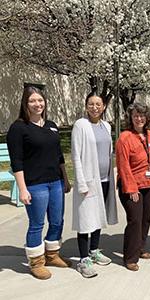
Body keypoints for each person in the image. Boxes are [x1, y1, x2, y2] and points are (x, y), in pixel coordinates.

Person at [6, 85, 71, 280]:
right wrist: (23, 189)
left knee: (57, 221)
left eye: (40, 100)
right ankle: (36, 262)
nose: (37, 104)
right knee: (36, 224)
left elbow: (59, 156)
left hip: (56, 183)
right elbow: (16, 162)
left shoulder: (51, 125)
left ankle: (52, 254)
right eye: (32, 101)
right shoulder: (18, 128)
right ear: (25, 104)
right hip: (36, 185)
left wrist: (65, 179)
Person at [71, 92, 118, 278]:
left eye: (98, 104)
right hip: (88, 181)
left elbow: (109, 153)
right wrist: (81, 182)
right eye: (91, 104)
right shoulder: (80, 125)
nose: (95, 107)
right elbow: (75, 155)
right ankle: (83, 260)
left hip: (104, 180)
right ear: (86, 105)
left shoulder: (106, 125)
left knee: (98, 216)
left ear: (104, 106)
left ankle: (94, 250)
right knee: (85, 220)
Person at [116, 103, 150, 271]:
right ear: (130, 118)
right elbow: (123, 165)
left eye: (142, 115)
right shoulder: (124, 137)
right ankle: (130, 258)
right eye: (135, 116)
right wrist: (131, 188)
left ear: (147, 118)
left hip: (149, 183)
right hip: (131, 185)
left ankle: (140, 248)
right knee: (135, 220)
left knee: (145, 219)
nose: (139, 119)